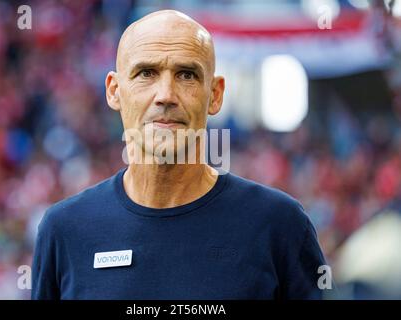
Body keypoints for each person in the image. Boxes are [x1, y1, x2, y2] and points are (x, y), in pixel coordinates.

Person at [31, 9, 328, 300]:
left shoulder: (279, 225)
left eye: (186, 75)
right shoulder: (64, 230)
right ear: (114, 91)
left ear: (215, 94)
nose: (166, 95)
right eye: (146, 73)